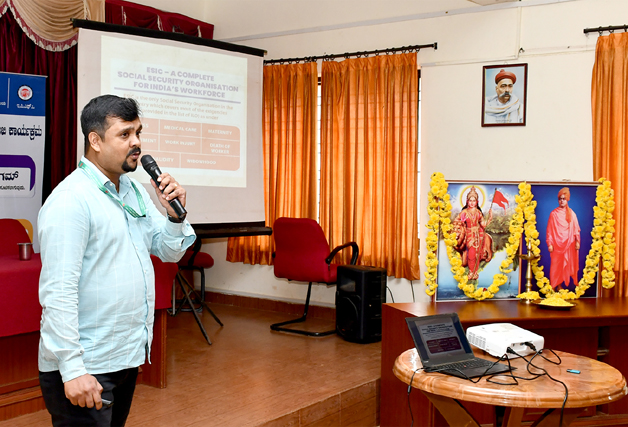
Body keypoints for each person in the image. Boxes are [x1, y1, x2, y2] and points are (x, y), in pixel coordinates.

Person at [37, 95, 196, 426]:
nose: (136, 142)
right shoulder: (70, 200)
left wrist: (174, 217)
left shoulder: (132, 191)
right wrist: (73, 370)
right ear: (95, 141)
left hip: (122, 357)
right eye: (125, 134)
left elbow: (168, 252)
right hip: (85, 366)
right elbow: (58, 292)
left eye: (138, 132)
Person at [453, 187, 494, 280]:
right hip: (468, 234)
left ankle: (475, 272)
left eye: (474, 201)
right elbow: (456, 221)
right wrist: (461, 223)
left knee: (478, 253)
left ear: (477, 202)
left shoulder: (478, 213)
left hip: (478, 234)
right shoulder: (464, 212)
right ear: (467, 201)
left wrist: (490, 217)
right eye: (470, 200)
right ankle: (471, 272)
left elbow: (483, 224)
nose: (472, 203)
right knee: (471, 253)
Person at [546, 187, 581, 290]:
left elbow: (576, 229)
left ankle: (560, 286)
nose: (562, 201)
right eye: (560, 199)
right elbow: (549, 230)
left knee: (564, 265)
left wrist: (577, 241)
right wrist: (550, 243)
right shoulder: (553, 214)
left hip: (569, 244)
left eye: (564, 199)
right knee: (556, 266)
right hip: (556, 245)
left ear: (567, 200)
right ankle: (554, 286)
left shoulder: (572, 214)